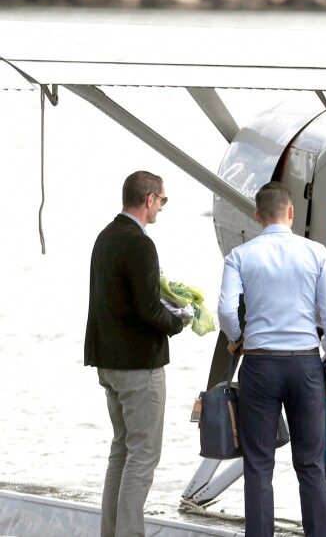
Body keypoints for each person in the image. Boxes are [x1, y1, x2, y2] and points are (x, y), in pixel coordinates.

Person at [217, 181, 326, 537]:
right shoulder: (316, 252)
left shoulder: (240, 255)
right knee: (310, 465)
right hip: (305, 365)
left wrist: (237, 338)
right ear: (291, 212)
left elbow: (227, 310)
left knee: (259, 466)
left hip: (259, 365)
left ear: (257, 216)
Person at [84, 171, 185, 537]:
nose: (161, 207)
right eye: (162, 201)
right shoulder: (141, 244)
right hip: (138, 365)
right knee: (143, 455)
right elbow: (149, 310)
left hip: (107, 361)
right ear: (149, 200)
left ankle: (110, 533)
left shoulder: (105, 237)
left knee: (121, 450)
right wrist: (180, 320)